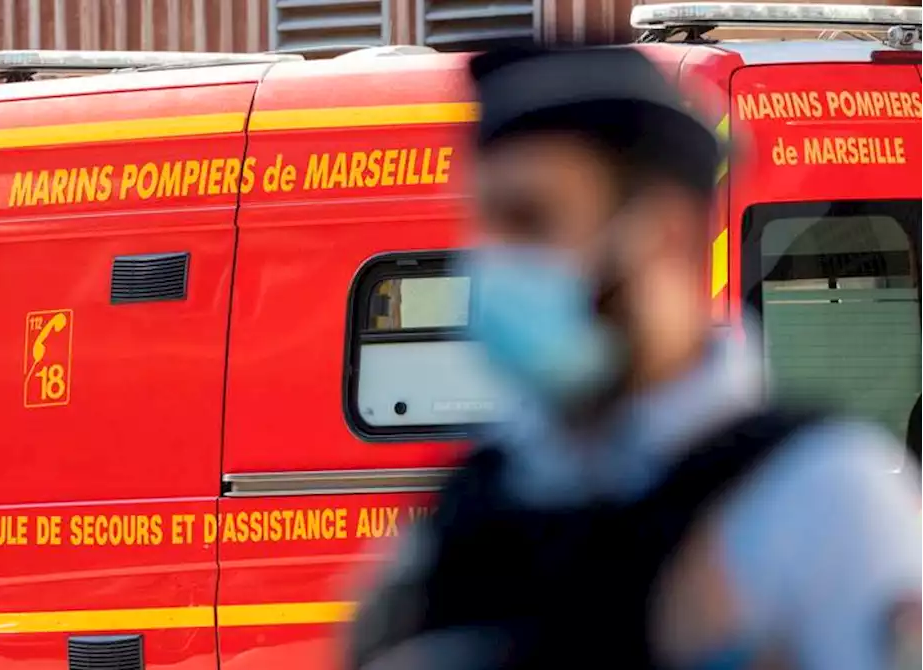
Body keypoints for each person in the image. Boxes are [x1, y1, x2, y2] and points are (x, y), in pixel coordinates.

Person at [347, 42, 923, 670]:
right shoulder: (469, 507)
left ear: (666, 234)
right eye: (486, 225)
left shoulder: (823, 500)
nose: (495, 265)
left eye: (532, 221)